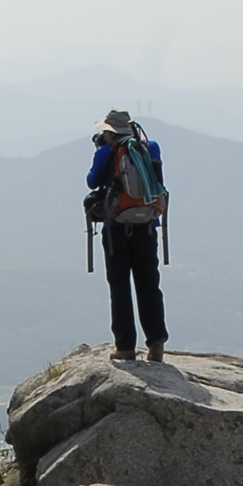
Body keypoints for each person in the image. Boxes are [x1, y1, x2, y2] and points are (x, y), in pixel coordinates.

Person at [86, 109, 169, 362]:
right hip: (147, 226)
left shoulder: (106, 151)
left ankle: (124, 347)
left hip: (116, 229)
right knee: (149, 284)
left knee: (120, 286)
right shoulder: (150, 147)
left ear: (111, 131)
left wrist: (101, 151)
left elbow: (92, 182)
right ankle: (156, 343)